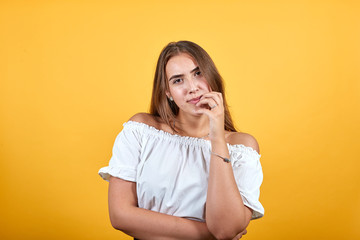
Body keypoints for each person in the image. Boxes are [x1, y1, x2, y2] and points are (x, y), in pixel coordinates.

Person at [98, 41, 264, 240]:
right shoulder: (141, 130)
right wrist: (209, 235)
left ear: (212, 76)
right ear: (167, 92)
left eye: (198, 73)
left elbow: (225, 228)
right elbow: (120, 216)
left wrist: (217, 136)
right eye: (178, 80)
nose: (192, 88)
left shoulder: (242, 147)